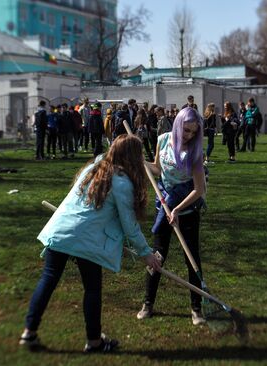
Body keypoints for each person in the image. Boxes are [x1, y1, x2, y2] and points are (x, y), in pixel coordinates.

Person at [19, 134, 162, 353]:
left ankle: (28, 333)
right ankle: (94, 341)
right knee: (92, 288)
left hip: (61, 231)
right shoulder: (122, 183)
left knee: (48, 280)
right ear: (133, 157)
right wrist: (146, 254)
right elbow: (129, 226)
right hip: (85, 240)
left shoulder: (93, 169)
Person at [136, 107, 207, 326]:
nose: (189, 135)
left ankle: (196, 309)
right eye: (186, 130)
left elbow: (200, 188)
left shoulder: (195, 151)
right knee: (157, 256)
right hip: (164, 205)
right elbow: (157, 169)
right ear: (177, 125)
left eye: (193, 132)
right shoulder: (163, 140)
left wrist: (178, 210)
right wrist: (140, 162)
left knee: (191, 258)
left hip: (186, 209)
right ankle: (148, 303)